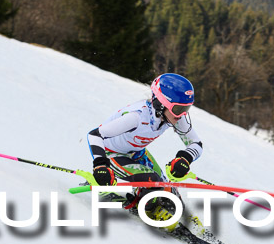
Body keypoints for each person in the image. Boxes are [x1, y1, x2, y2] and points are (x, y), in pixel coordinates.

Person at [86, 73, 203, 216]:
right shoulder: (137, 117)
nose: (181, 115)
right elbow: (95, 135)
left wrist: (185, 158)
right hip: (112, 154)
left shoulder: (173, 116)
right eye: (178, 109)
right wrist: (100, 165)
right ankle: (141, 207)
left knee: (169, 192)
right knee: (152, 183)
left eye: (186, 109)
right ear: (161, 103)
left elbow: (196, 143)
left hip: (137, 153)